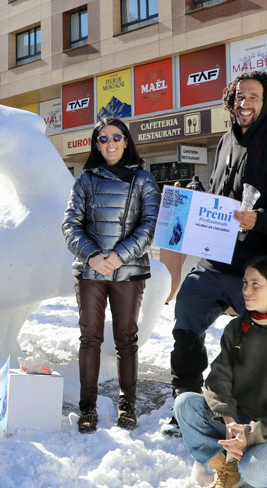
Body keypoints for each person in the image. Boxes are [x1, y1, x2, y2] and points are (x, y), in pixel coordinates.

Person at [164, 71, 267, 436]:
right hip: (213, 263)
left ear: (266, 102)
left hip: (256, 269)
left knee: (260, 345)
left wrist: (260, 220)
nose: (244, 104)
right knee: (186, 319)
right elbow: (217, 195)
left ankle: (256, 414)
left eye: (253, 97)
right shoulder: (224, 142)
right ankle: (187, 402)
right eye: (240, 96)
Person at [174, 256, 267, 488]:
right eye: (244, 283)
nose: (246, 291)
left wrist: (251, 434)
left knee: (254, 470)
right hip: (242, 419)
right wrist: (230, 421)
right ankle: (228, 466)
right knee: (185, 405)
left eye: (255, 284)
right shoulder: (236, 328)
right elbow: (217, 379)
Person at [62, 117, 161, 433]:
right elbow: (70, 225)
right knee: (90, 338)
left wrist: (119, 256)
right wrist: (92, 255)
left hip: (129, 272)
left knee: (126, 340)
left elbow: (149, 226)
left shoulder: (144, 181)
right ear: (96, 144)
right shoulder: (85, 181)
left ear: (127, 141)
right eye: (103, 139)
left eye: (117, 137)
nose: (110, 143)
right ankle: (87, 408)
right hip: (90, 272)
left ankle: (128, 406)